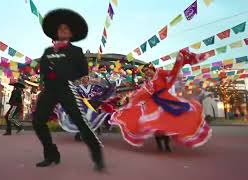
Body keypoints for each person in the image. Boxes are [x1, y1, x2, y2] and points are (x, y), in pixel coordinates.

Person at [32, 9, 104, 171]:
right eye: (60, 29)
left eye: (66, 29)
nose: (63, 30)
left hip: (66, 88)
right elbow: (42, 68)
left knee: (81, 123)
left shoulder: (76, 51)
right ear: (56, 33)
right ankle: (51, 154)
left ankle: (97, 156)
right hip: (49, 90)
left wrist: (63, 72)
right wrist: (47, 74)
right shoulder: (48, 51)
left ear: (71, 34)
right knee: (38, 122)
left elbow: (82, 71)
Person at [109, 50, 212, 149]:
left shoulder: (160, 73)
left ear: (152, 68)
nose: (147, 73)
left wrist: (178, 76)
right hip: (153, 102)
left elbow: (172, 74)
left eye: (147, 70)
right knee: (153, 123)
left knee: (171, 120)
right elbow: (143, 93)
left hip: (166, 98)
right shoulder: (148, 82)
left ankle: (167, 144)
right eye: (145, 72)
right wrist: (131, 101)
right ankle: (160, 144)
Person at [55, 75, 115, 142]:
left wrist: (110, 88)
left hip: (93, 105)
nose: (85, 80)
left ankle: (94, 131)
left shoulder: (94, 87)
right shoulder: (77, 88)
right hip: (82, 106)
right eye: (83, 78)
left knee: (93, 118)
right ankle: (81, 134)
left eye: (86, 78)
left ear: (88, 79)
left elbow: (103, 93)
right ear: (81, 80)